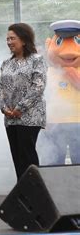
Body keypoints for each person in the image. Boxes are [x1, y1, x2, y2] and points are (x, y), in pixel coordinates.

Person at [0, 23, 47, 180]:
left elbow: (38, 87)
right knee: (17, 156)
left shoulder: (37, 60)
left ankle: (36, 190)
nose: (9, 42)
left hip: (30, 117)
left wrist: (20, 108)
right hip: (11, 118)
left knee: (27, 154)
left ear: (24, 40)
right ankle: (23, 190)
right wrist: (4, 108)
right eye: (7, 39)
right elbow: (0, 88)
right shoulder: (6, 63)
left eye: (13, 38)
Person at [40, 20, 80, 165]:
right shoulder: (48, 72)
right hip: (54, 123)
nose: (68, 51)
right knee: (54, 161)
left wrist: (76, 78)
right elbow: (42, 97)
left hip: (78, 122)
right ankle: (55, 188)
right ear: (49, 44)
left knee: (78, 162)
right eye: (60, 42)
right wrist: (44, 120)